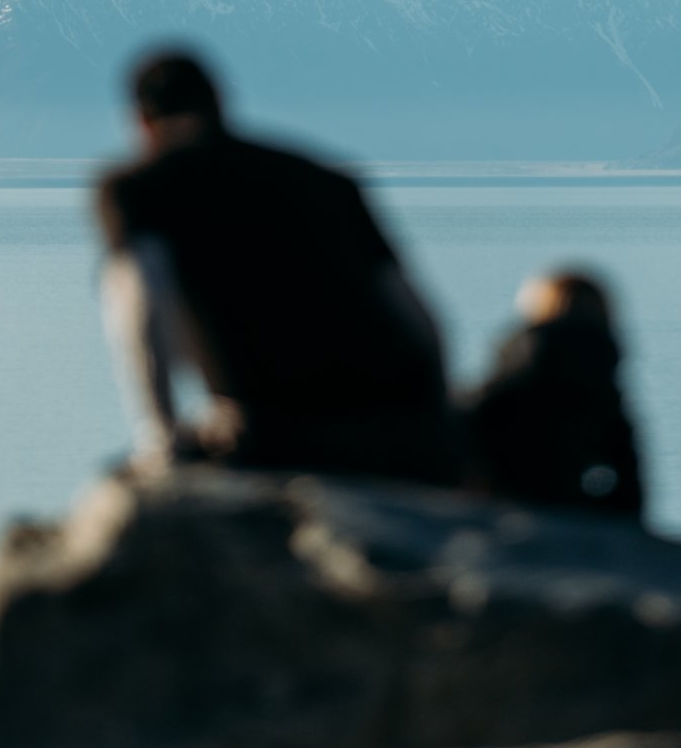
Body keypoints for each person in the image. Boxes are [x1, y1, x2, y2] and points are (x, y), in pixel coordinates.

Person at [93, 48, 459, 484]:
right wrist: (441, 432)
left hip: (276, 432)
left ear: (140, 123)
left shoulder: (137, 186)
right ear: (222, 105)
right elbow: (423, 322)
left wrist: (160, 438)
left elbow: (141, 301)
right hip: (403, 426)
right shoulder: (329, 180)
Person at [462, 268, 647, 519]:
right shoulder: (601, 387)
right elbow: (629, 487)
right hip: (566, 508)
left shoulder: (517, 365)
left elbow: (468, 426)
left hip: (501, 506)